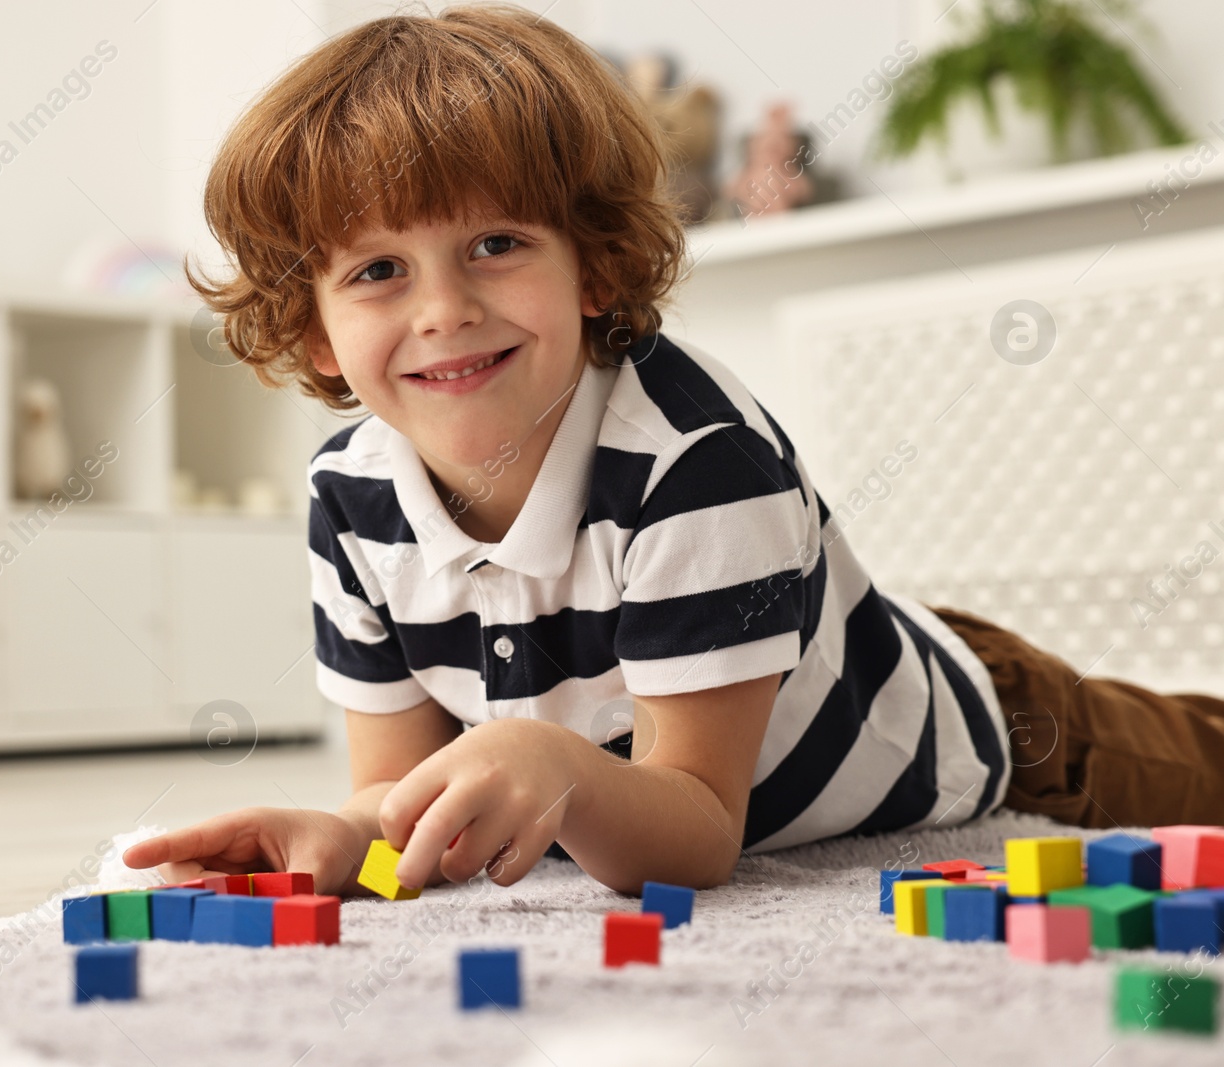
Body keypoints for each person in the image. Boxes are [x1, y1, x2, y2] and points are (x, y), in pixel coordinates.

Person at [122, 5, 1224, 896]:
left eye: (496, 245)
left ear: (592, 267)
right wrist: (336, 838)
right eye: (377, 271)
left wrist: (557, 764)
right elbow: (396, 797)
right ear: (313, 326)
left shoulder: (693, 460)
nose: (443, 309)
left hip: (1007, 740)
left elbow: (696, 830)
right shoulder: (349, 495)